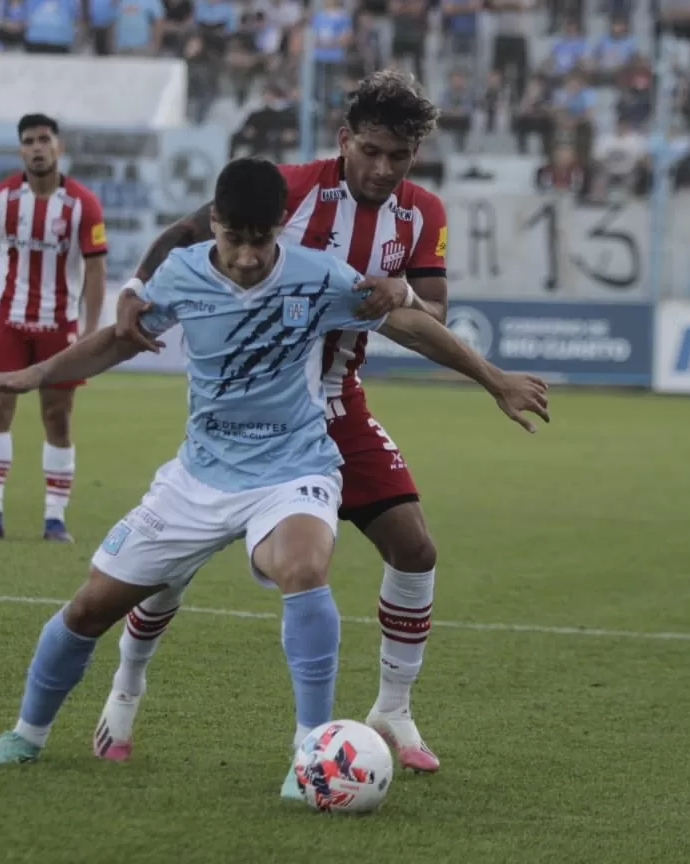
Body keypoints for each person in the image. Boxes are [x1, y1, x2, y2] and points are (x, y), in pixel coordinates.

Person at [0, 158, 549, 804]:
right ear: (213, 224)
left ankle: (309, 750)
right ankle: (27, 733)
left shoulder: (318, 275)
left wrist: (494, 378)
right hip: (198, 474)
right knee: (88, 608)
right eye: (233, 238)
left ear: (279, 230)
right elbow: (118, 342)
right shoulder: (183, 274)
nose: (245, 257)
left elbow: (411, 325)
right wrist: (33, 375)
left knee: (303, 567)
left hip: (292, 469)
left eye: (260, 240)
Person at [111, 69, 460, 774]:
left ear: (414, 155)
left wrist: (404, 297)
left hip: (337, 404)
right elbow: (189, 229)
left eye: (398, 156)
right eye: (370, 150)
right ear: (344, 141)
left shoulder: (423, 213)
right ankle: (123, 692)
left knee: (414, 547)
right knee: (167, 573)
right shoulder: (291, 188)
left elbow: (434, 311)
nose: (382, 168)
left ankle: (392, 707)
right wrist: (134, 288)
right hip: (247, 409)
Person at [0, 113, 109, 543]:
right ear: (20, 149)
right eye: (29, 141)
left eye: (45, 139)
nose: (37, 147)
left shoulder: (83, 204)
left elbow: (97, 271)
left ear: (58, 147)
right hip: (6, 320)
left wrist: (93, 328)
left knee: (57, 416)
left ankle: (55, 518)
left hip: (58, 324)